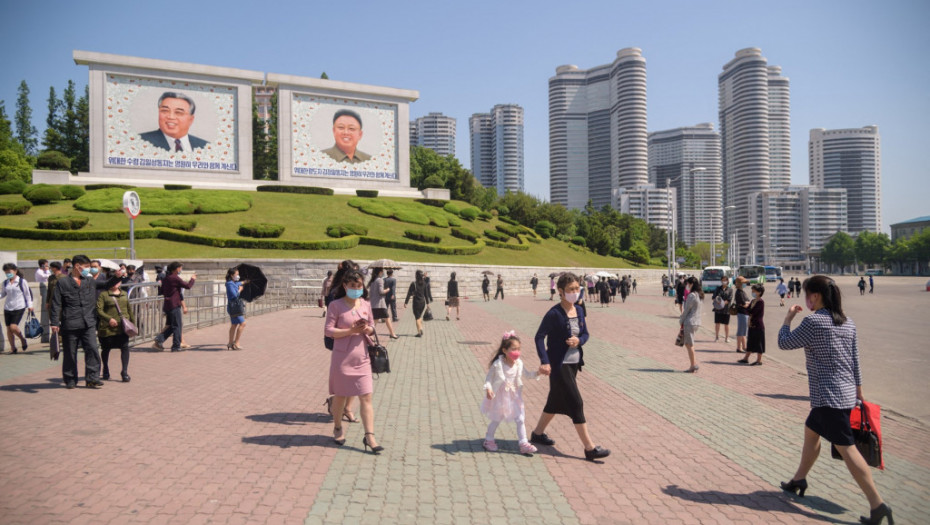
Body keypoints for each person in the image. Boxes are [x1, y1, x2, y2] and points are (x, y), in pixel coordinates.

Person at [777, 276, 892, 525]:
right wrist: (858, 392)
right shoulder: (847, 322)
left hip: (828, 397)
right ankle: (799, 479)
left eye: (807, 294)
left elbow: (784, 343)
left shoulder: (813, 322)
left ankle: (877, 504)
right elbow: (855, 360)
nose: (806, 299)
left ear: (816, 296)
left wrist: (787, 319)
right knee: (811, 432)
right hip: (844, 394)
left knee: (847, 448)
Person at [530, 272, 610, 462]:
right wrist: (544, 361)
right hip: (559, 365)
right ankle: (590, 448)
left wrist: (579, 340)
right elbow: (539, 337)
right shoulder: (554, 313)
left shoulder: (579, 310)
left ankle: (537, 433)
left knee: (554, 400)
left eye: (577, 288)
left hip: (574, 363)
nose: (575, 292)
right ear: (561, 291)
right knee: (576, 402)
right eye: (570, 289)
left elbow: (586, 334)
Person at [324, 269, 383, 454]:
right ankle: (337, 427)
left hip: (362, 358)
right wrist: (350, 331)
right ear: (345, 286)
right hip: (343, 359)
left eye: (359, 285)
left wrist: (367, 329)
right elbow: (328, 331)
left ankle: (370, 436)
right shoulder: (335, 305)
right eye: (352, 286)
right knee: (340, 396)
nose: (356, 289)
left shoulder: (365, 304)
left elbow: (372, 326)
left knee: (366, 396)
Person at [50, 255, 123, 389]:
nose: (89, 270)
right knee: (70, 353)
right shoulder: (63, 282)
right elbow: (56, 303)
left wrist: (117, 277)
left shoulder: (89, 281)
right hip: (70, 323)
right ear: (77, 266)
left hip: (88, 323)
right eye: (86, 267)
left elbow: (106, 285)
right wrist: (54, 323)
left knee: (92, 350)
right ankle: (70, 379)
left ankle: (92, 378)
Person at [481, 331, 540, 456]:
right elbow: (488, 379)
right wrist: (488, 389)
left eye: (518, 349)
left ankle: (523, 443)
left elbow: (528, 375)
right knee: (496, 419)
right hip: (500, 397)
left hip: (515, 396)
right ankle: (488, 440)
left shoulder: (519, 363)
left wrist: (538, 373)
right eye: (513, 349)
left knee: (520, 419)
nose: (517, 352)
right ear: (504, 350)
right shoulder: (498, 364)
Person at [96, 278, 136, 382]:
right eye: (114, 282)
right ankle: (105, 368)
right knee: (106, 349)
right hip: (108, 328)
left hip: (122, 328)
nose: (116, 284)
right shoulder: (104, 295)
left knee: (125, 347)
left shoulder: (124, 294)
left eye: (118, 281)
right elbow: (99, 310)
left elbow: (129, 309)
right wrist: (109, 319)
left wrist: (133, 323)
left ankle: (124, 371)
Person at [139, 92, 208, 152]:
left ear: (191, 120)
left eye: (178, 112)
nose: (171, 117)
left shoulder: (205, 147)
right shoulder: (141, 141)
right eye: (165, 111)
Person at [152, 262, 196, 352]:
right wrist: (192, 279)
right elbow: (188, 286)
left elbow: (162, 290)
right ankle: (175, 345)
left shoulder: (166, 278)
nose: (181, 269)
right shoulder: (175, 278)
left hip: (167, 304)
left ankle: (160, 339)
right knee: (177, 325)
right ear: (176, 269)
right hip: (174, 304)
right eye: (180, 268)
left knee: (172, 325)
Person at [2, 264, 34, 354]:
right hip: (8, 307)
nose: (8, 274)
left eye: (9, 272)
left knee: (13, 327)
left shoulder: (22, 281)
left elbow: (27, 294)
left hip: (19, 306)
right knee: (9, 329)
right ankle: (13, 348)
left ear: (15, 271)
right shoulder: (5, 282)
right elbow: (3, 293)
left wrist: (30, 305)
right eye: (6, 272)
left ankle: (22, 339)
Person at [679, 277, 704, 373]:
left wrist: (681, 320)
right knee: (688, 343)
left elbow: (686, 310)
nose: (687, 286)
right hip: (696, 322)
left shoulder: (691, 295)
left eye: (688, 284)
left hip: (690, 322)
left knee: (689, 344)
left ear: (691, 284)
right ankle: (693, 364)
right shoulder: (700, 295)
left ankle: (693, 365)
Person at [739, 284, 766, 365]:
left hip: (758, 325)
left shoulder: (760, 302)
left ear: (759, 292)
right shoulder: (753, 301)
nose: (752, 292)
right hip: (751, 325)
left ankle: (759, 360)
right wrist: (746, 308)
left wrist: (747, 309)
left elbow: (753, 311)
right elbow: (748, 310)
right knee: (750, 342)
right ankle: (746, 358)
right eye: (752, 291)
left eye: (754, 291)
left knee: (759, 343)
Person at [368, 268, 399, 339]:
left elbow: (371, 293)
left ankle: (371, 336)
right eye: (382, 271)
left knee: (375, 320)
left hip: (373, 304)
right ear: (379, 272)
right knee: (386, 318)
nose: (383, 273)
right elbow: (381, 292)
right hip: (380, 304)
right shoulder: (380, 280)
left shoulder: (372, 280)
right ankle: (392, 334)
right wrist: (387, 290)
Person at [225, 267, 247, 350]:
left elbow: (239, 283)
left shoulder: (233, 283)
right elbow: (234, 295)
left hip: (234, 307)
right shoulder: (229, 284)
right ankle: (236, 343)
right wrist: (240, 290)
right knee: (243, 323)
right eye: (237, 274)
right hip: (234, 307)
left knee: (234, 325)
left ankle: (230, 343)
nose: (238, 276)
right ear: (232, 275)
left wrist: (246, 281)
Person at [404, 270, 429, 337]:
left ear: (416, 276)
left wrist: (406, 302)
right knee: (419, 316)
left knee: (417, 317)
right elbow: (426, 294)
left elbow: (409, 293)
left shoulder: (413, 284)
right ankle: (421, 328)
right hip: (423, 303)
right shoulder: (424, 283)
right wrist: (428, 303)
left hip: (416, 303)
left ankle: (419, 331)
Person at [712, 276, 734, 343]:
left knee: (726, 324)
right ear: (721, 281)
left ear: (727, 281)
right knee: (717, 323)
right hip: (718, 309)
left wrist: (722, 303)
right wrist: (717, 301)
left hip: (726, 310)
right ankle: (716, 337)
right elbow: (713, 297)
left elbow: (729, 299)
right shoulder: (717, 289)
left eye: (725, 280)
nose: (724, 281)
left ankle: (726, 338)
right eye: (723, 280)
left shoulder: (730, 290)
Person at [35, 259, 52, 343]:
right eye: (46, 265)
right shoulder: (39, 272)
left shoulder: (44, 271)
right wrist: (47, 270)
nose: (47, 266)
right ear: (42, 265)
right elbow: (47, 276)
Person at [734, 276, 751, 354]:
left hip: (745, 313)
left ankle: (744, 346)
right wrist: (748, 303)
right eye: (743, 283)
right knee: (741, 331)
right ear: (740, 283)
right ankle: (739, 347)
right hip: (742, 313)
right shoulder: (739, 292)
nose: (745, 284)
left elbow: (747, 302)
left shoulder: (742, 292)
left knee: (744, 331)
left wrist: (747, 303)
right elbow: (744, 304)